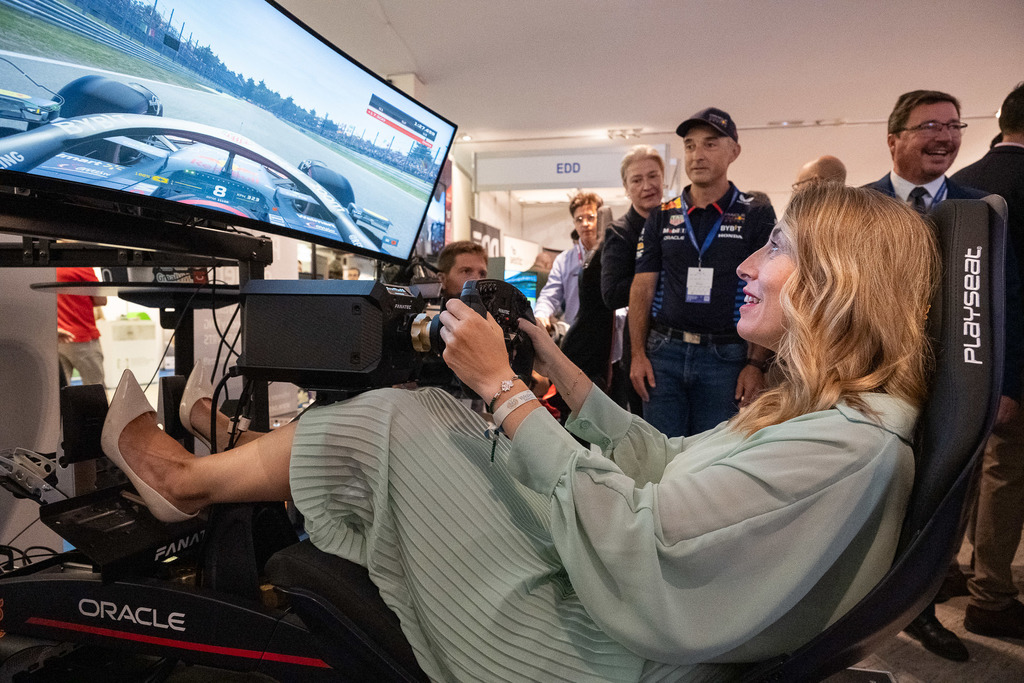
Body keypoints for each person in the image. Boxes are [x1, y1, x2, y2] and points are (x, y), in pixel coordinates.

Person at [101, 184, 940, 682]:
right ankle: (206, 471)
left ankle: (185, 481)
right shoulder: (825, 418)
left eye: (778, 250)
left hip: (603, 653)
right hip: (622, 615)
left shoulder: (848, 448)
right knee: (438, 416)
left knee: (402, 418)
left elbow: (646, 546)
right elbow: (661, 461)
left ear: (841, 283)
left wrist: (505, 392)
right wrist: (548, 366)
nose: (751, 266)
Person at [863, 88, 1024, 661]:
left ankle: (920, 611)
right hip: (872, 384)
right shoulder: (863, 205)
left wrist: (1006, 384)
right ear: (894, 138)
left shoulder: (984, 207)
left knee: (937, 501)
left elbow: (1006, 300)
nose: (946, 136)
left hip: (955, 386)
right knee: (871, 495)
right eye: (930, 125)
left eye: (954, 126)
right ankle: (851, 608)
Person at [629, 107, 775, 438]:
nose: (697, 155)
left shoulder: (755, 212)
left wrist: (755, 365)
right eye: (690, 145)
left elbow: (768, 288)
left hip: (726, 358)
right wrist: (637, 354)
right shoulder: (663, 216)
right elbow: (641, 289)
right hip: (664, 354)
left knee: (712, 460)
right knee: (659, 455)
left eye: (710, 144)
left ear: (734, 151)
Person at [948, 81, 1024, 641]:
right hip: (1013, 359)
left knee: (963, 469)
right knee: (1006, 473)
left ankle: (946, 569)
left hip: (964, 359)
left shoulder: (966, 183)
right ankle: (991, 594)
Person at [601, 145, 666, 414]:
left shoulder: (677, 221)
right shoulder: (620, 233)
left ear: (664, 178)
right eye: (637, 180)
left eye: (653, 176)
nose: (647, 186)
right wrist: (658, 279)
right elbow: (611, 294)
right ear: (626, 188)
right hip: (642, 344)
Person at [533, 192, 604, 336]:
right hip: (576, 336)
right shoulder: (563, 260)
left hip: (610, 337)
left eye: (591, 217)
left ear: (600, 219)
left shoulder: (613, 255)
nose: (585, 224)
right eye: (579, 219)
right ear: (574, 224)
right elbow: (549, 295)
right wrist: (541, 314)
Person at [56, 266, 107, 387]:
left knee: (60, 391)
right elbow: (101, 300)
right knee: (95, 388)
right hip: (82, 336)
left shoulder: (48, 268)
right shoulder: (82, 267)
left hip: (57, 336)